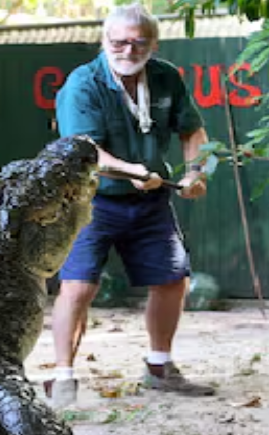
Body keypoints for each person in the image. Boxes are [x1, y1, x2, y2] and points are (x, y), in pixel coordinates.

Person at [46, 3, 215, 407]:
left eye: (138, 43)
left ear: (153, 44)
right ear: (104, 41)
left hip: (151, 199)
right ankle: (62, 378)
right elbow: (86, 153)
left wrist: (195, 173)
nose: (127, 50)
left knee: (173, 279)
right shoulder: (82, 84)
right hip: (90, 199)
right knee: (79, 285)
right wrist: (134, 170)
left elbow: (194, 132)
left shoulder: (166, 77)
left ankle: (160, 368)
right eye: (118, 42)